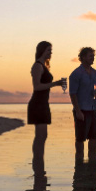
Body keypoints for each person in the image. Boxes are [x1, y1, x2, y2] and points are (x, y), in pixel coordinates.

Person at [27, 41, 66, 175]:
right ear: (42, 50)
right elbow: (36, 86)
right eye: (49, 50)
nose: (51, 53)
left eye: (51, 51)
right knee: (40, 136)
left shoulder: (44, 65)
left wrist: (55, 84)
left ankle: (39, 165)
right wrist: (55, 83)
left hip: (43, 103)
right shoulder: (37, 66)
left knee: (43, 136)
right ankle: (38, 165)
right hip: (37, 104)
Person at [69, 46, 96, 163]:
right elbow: (72, 94)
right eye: (90, 56)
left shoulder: (95, 73)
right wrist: (78, 111)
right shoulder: (76, 74)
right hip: (82, 110)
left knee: (94, 139)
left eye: (93, 56)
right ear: (83, 57)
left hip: (94, 109)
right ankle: (79, 168)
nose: (92, 58)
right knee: (80, 139)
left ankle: (92, 169)